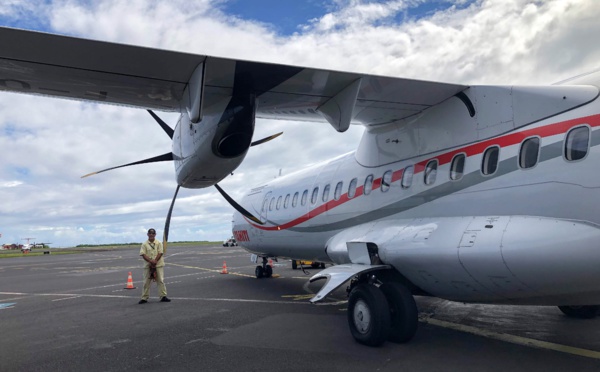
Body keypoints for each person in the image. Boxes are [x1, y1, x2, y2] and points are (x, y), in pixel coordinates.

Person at [138, 228, 170, 304]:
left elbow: (160, 252)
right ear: (147, 234)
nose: (151, 235)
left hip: (158, 265)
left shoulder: (159, 243)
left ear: (155, 234)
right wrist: (150, 261)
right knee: (146, 282)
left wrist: (155, 261)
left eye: (153, 233)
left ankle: (163, 296)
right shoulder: (144, 244)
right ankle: (144, 298)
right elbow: (143, 254)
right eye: (150, 233)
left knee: (160, 281)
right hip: (148, 266)